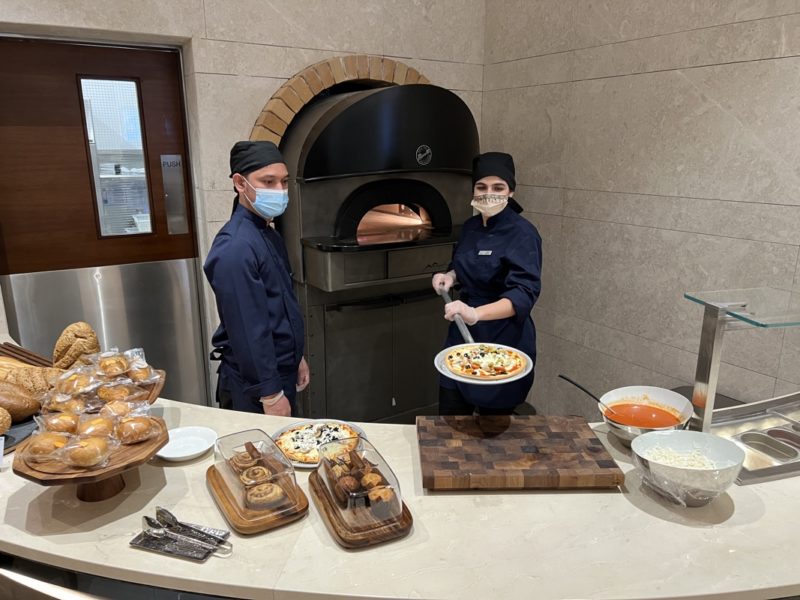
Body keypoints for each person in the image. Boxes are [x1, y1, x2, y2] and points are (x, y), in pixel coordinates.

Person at [204, 141, 309, 417]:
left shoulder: (268, 235)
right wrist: (271, 394)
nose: (279, 191)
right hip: (254, 389)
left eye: (284, 182)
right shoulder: (235, 247)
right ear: (240, 183)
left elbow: (282, 305)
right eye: (268, 181)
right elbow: (249, 330)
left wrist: (296, 358)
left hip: (278, 372)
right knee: (261, 459)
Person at [432, 152, 542, 415]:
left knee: (492, 430)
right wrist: (450, 276)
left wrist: (476, 313)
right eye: (481, 187)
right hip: (462, 335)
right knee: (451, 412)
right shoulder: (470, 226)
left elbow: (524, 294)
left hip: (504, 337)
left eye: (498, 187)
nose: (488, 193)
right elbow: (462, 262)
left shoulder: (523, 233)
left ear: (511, 191)